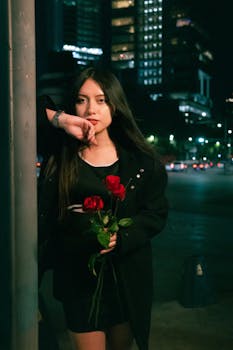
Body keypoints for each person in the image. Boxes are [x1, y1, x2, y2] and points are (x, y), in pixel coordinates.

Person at [37, 66, 168, 350]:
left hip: (124, 279)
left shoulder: (141, 162)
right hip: (77, 279)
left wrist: (121, 238)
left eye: (101, 99)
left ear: (115, 105)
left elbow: (155, 214)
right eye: (81, 100)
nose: (90, 109)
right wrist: (61, 120)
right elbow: (21, 107)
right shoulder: (62, 154)